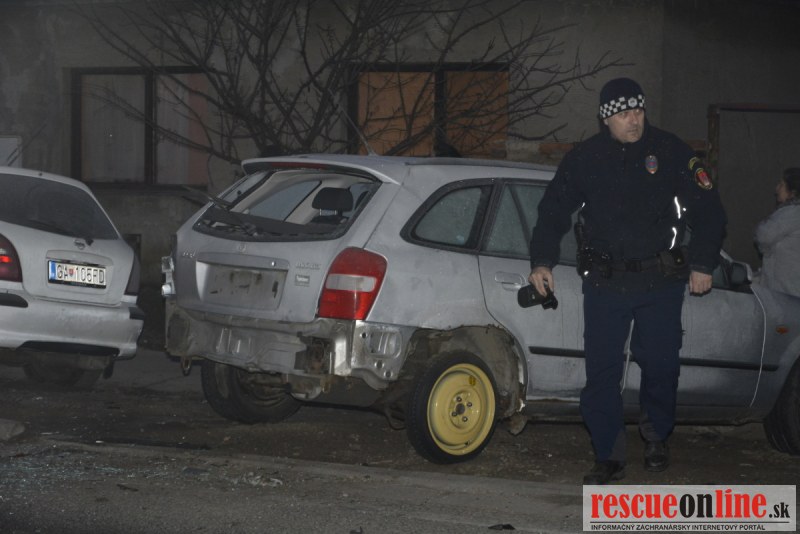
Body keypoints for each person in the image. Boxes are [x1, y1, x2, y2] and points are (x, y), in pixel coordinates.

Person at [528, 77, 727, 485]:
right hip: (605, 282)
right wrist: (542, 261)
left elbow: (710, 211)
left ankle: (656, 436)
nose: (633, 120)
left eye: (638, 111)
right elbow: (553, 211)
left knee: (660, 365)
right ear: (605, 119)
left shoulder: (670, 151)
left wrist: (703, 263)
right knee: (601, 372)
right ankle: (608, 455)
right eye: (623, 115)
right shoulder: (585, 158)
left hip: (660, 281)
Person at [753, 168, 800, 297]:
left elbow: (763, 235)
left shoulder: (791, 214)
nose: (777, 189)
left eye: (781, 184)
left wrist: (767, 249)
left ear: (792, 192)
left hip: (788, 292)